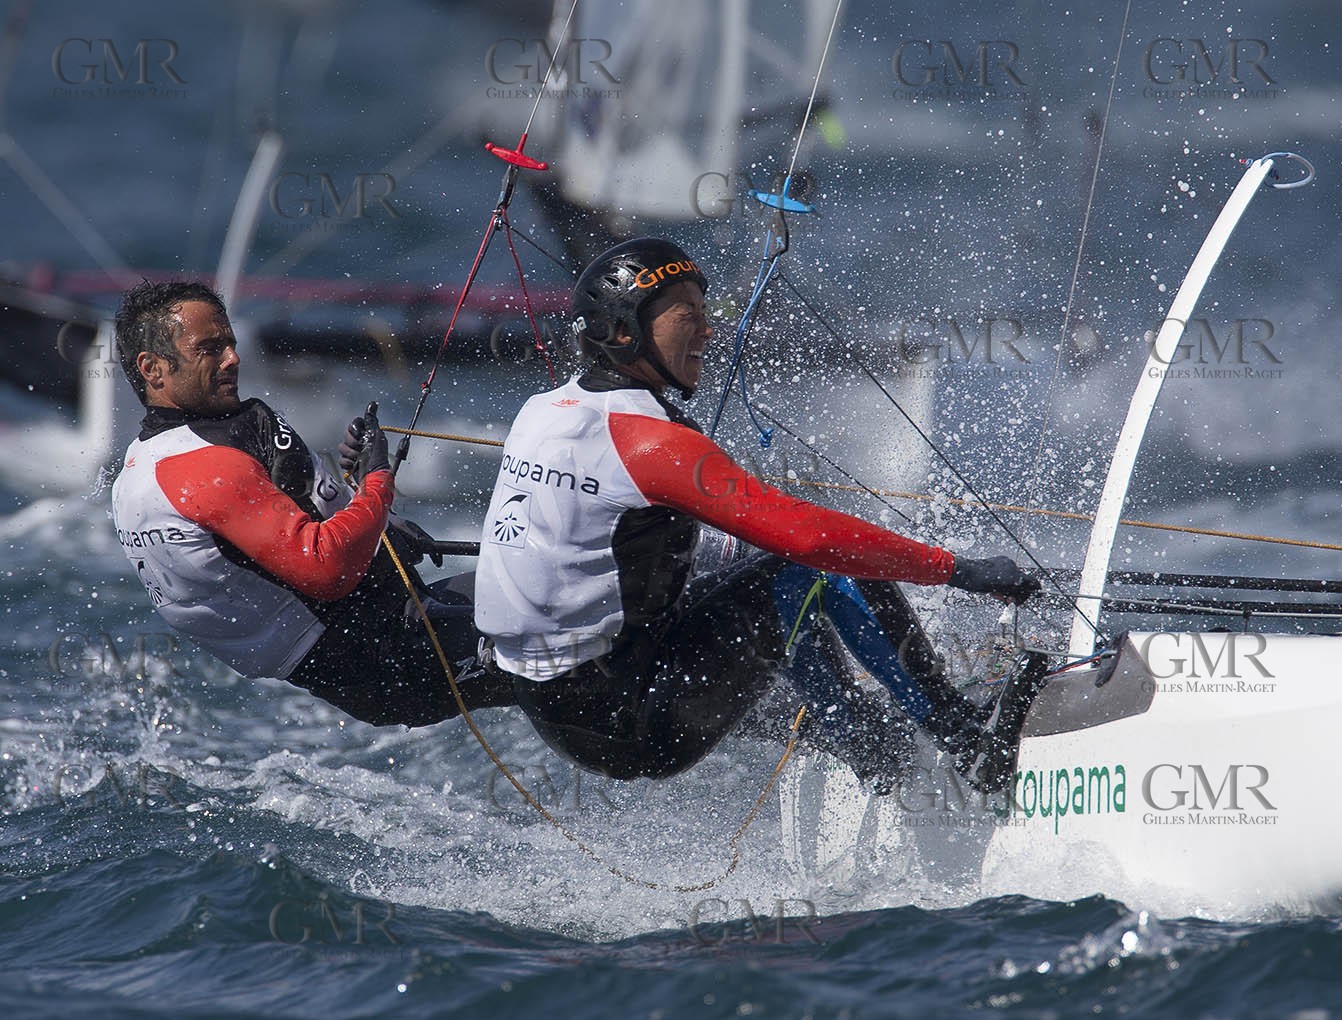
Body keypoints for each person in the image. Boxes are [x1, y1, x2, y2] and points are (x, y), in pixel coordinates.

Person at [474, 238, 1048, 795]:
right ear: (623, 333)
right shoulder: (650, 442)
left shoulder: (543, 411)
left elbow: (597, 549)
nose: (708, 331)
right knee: (813, 571)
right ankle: (969, 743)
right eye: (687, 316)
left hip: (562, 711)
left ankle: (867, 744)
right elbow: (811, 538)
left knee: (761, 568)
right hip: (636, 720)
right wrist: (958, 571)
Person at [109, 279, 512, 725]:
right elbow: (326, 566)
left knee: (548, 584)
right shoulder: (202, 470)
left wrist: (366, 506)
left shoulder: (160, 456)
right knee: (573, 639)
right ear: (153, 368)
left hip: (401, 615)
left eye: (230, 343)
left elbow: (277, 532)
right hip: (393, 660)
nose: (233, 358)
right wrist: (377, 484)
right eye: (209, 348)